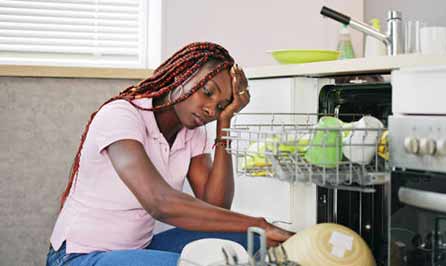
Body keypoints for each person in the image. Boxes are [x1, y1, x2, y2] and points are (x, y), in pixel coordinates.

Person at [46, 42, 293, 266]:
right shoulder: (121, 115)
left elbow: (216, 207)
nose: (210, 110)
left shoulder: (192, 133)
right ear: (179, 76)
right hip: (80, 256)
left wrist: (224, 123)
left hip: (137, 248)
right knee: (227, 246)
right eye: (207, 92)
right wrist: (258, 223)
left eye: (221, 106)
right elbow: (159, 203)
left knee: (248, 238)